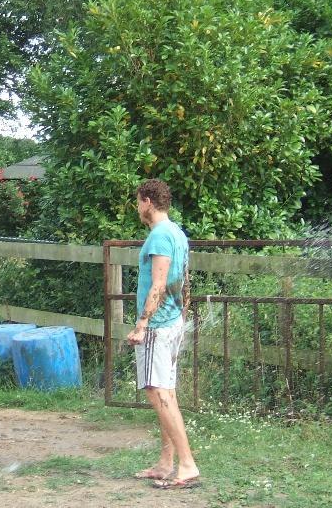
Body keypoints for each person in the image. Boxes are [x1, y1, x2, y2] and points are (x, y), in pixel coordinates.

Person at [127, 179, 201, 490]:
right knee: (166, 392)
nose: (137, 208)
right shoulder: (178, 234)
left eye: (138, 201)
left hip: (157, 327)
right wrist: (181, 317)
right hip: (173, 323)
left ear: (146, 201)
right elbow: (183, 281)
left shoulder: (159, 237)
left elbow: (158, 285)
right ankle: (165, 461)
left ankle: (187, 463)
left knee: (156, 391)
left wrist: (142, 323)